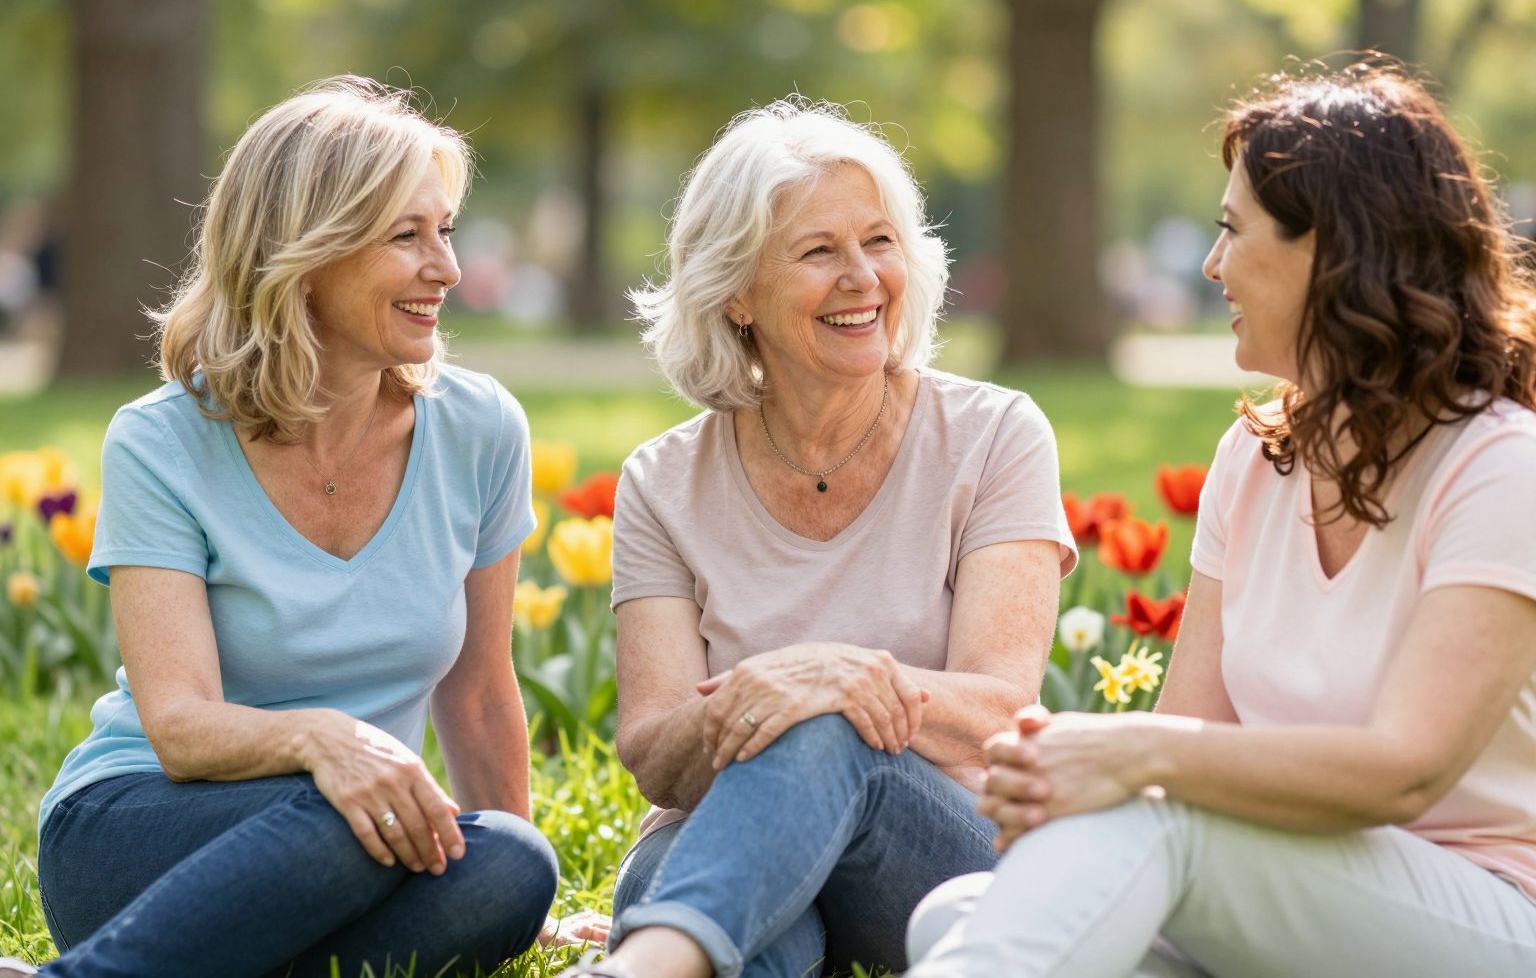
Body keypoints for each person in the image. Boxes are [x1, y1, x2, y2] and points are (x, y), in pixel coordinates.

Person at [905, 60, 1536, 977]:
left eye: (1233, 231)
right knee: (955, 914)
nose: (1211, 267)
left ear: (1333, 251)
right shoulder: (1255, 458)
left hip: (1487, 912)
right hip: (1289, 894)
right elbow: (1193, 731)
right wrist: (1092, 773)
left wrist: (1123, 750)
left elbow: (1408, 769)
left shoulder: (1501, 467)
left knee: (1132, 836)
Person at [16, 78, 561, 978]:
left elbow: (476, 693)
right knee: (343, 815)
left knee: (513, 865)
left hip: (358, 838)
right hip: (144, 827)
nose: (448, 269)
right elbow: (180, 726)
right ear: (305, 254)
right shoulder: (161, 441)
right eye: (406, 237)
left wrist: (521, 910)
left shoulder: (480, 429)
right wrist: (322, 741)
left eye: (446, 231)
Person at [556, 99, 1077, 978]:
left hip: (932, 857)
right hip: (712, 839)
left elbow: (997, 712)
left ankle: (640, 967)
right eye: (818, 252)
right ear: (735, 292)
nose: (863, 278)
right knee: (767, 935)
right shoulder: (663, 480)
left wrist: (836, 685)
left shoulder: (996, 435)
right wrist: (767, 696)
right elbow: (654, 754)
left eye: (879, 242)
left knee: (833, 729)